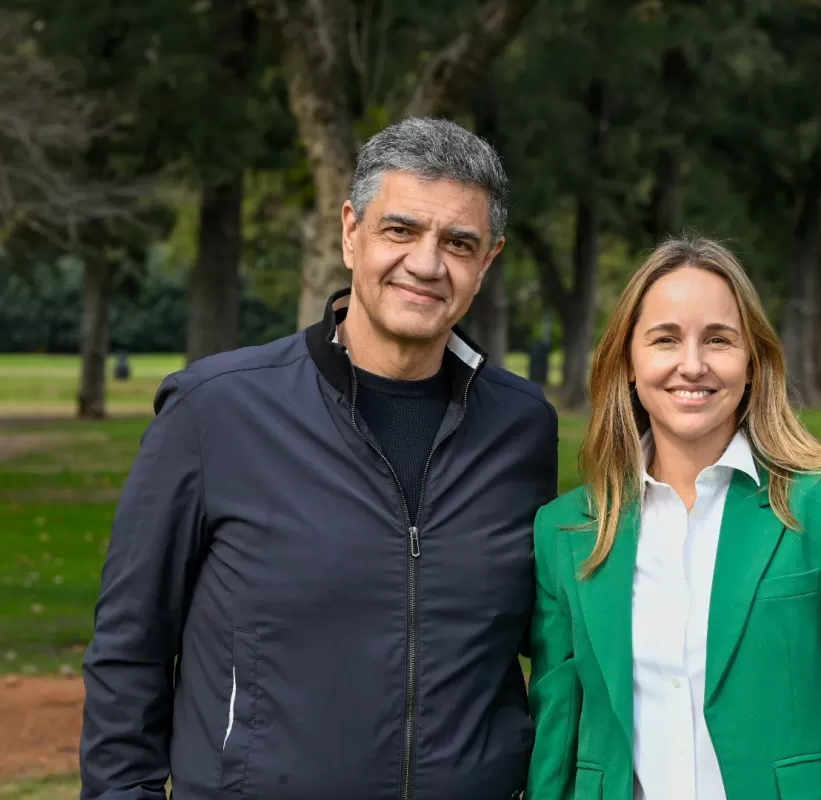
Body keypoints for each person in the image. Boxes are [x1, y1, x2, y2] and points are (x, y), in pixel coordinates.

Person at [79, 117, 558, 800]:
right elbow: (130, 650)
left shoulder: (522, 428)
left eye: (458, 242)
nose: (426, 264)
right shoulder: (214, 411)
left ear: (488, 261)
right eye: (400, 231)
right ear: (349, 232)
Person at [526, 236, 821, 800]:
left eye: (718, 340)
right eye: (664, 340)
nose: (693, 365)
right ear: (629, 364)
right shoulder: (568, 531)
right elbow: (557, 737)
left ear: (753, 362)